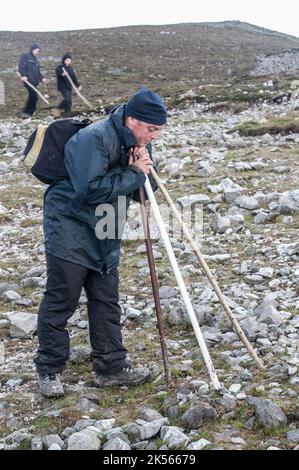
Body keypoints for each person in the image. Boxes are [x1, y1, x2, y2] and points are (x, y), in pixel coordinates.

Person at [34, 87, 167, 398]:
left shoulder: (137, 142)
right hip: (69, 226)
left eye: (159, 131)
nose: (155, 137)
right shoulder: (93, 138)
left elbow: (143, 188)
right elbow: (89, 190)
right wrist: (134, 174)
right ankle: (48, 368)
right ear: (132, 120)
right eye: (151, 129)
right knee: (61, 299)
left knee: (106, 299)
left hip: (106, 229)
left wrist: (144, 170)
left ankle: (111, 367)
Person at [18, 44, 47, 117]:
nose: (37, 52)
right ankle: (27, 112)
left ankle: (28, 112)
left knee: (33, 96)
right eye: (36, 50)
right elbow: (21, 66)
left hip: (34, 81)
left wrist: (42, 78)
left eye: (38, 51)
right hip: (28, 79)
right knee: (33, 95)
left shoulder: (35, 60)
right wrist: (23, 75)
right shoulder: (26, 56)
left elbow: (38, 72)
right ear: (32, 49)